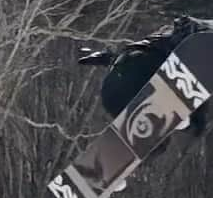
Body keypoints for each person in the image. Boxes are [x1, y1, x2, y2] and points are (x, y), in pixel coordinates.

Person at [79, 15, 211, 134]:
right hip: (135, 74)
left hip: (116, 88)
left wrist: (109, 59)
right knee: (197, 125)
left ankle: (184, 122)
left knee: (193, 126)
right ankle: (185, 123)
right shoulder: (192, 40)